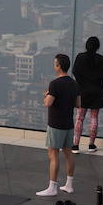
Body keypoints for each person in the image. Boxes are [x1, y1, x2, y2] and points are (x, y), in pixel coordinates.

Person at [36, 53, 80, 197]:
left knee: (53, 154)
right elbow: (78, 104)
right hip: (68, 123)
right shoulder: (74, 83)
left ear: (59, 66)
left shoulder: (55, 84)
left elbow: (48, 103)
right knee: (68, 153)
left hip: (55, 124)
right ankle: (69, 185)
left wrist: (47, 95)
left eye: (55, 63)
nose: (54, 65)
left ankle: (52, 187)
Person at [72, 36, 103, 153]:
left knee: (79, 118)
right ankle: (91, 145)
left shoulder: (79, 57)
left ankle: (75, 145)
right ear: (97, 47)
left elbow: (74, 71)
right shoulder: (100, 59)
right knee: (94, 118)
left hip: (82, 91)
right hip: (97, 92)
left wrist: (81, 82)